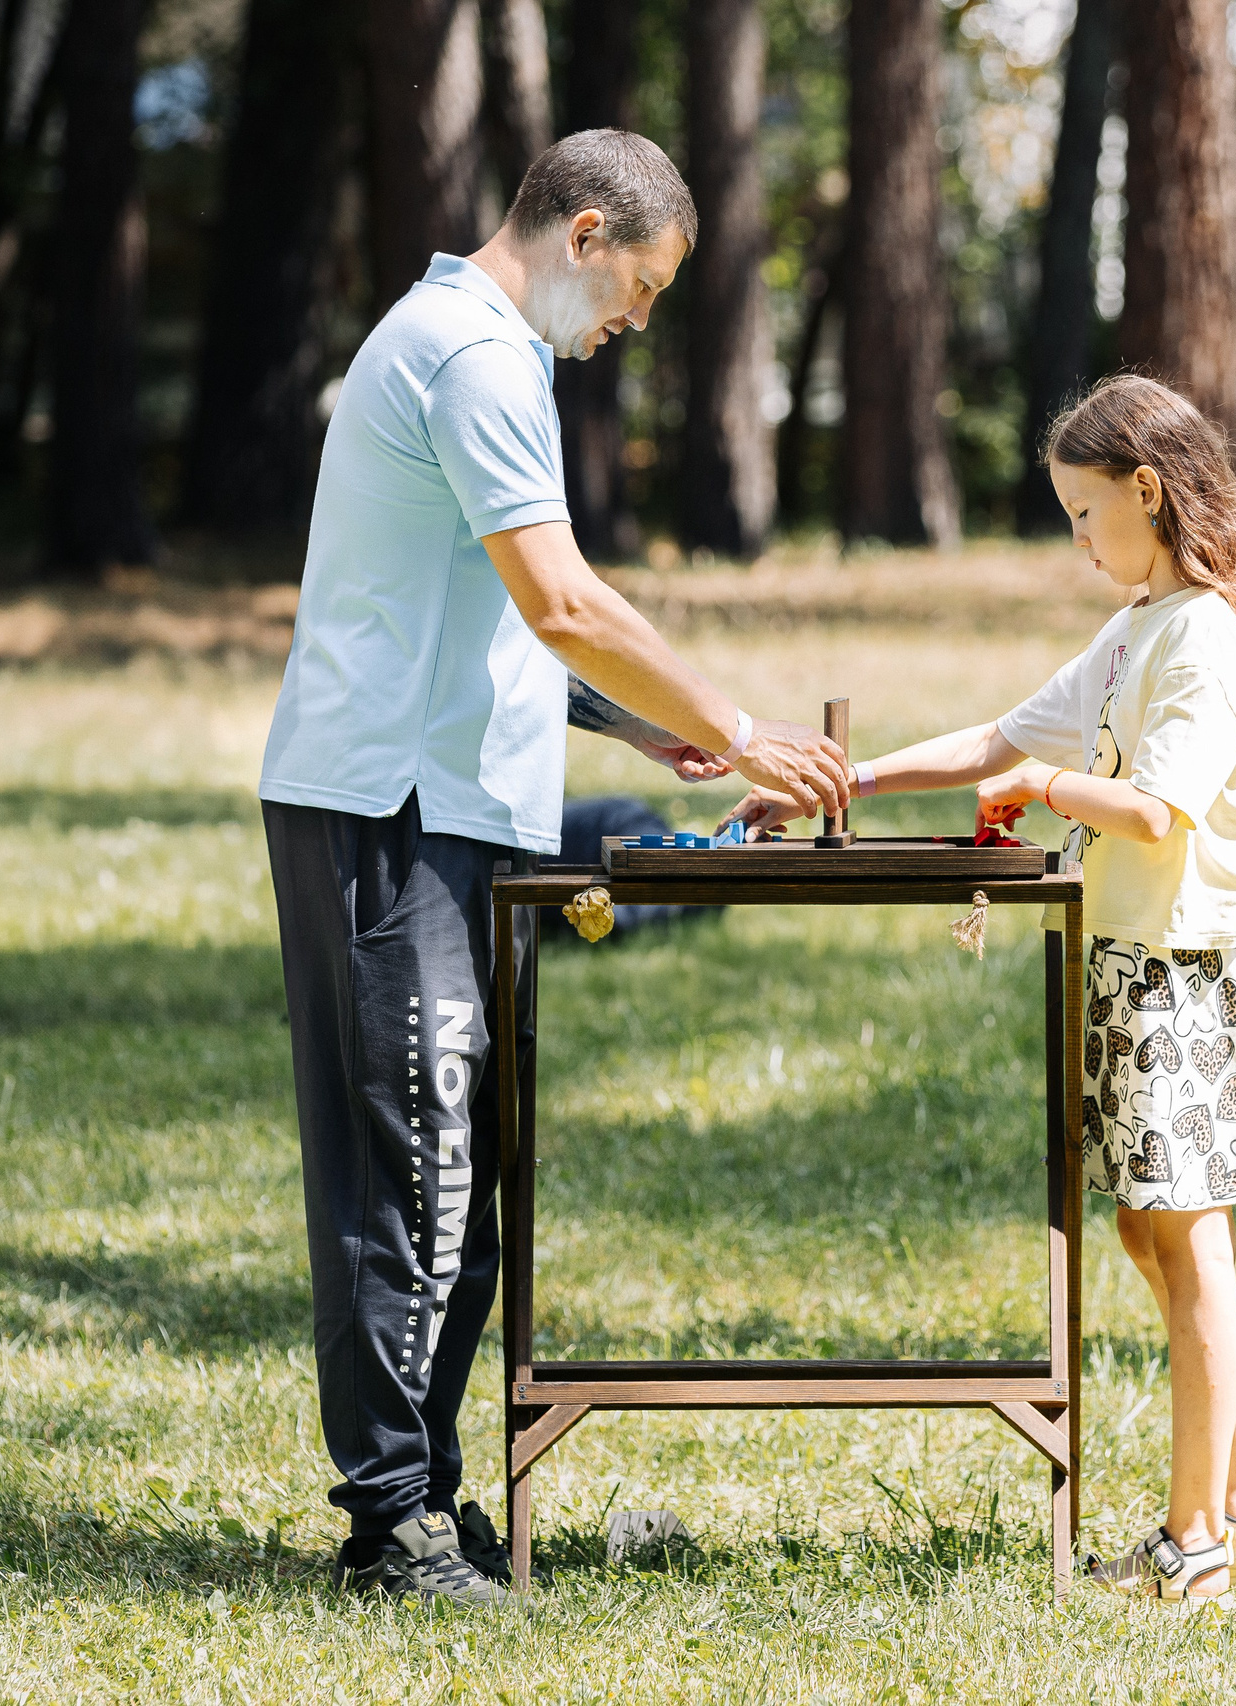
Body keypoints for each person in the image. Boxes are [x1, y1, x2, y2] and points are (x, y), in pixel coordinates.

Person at [259, 128, 852, 1606]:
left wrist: (640, 738)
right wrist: (732, 724)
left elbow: (485, 607)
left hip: (454, 806)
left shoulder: (478, 349)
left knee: (464, 1169)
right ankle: (392, 1528)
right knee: (419, 1171)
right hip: (394, 815)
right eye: (638, 289)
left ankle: (428, 1502)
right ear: (583, 232)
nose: (633, 324)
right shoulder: (470, 352)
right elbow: (562, 593)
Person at [724, 374, 1236, 1603]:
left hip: (1181, 984)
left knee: (1191, 1244)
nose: (1076, 539)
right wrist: (836, 785)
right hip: (1127, 974)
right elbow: (998, 737)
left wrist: (1042, 795)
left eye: (1081, 511)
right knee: (1145, 1229)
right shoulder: (1136, 627)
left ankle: (1192, 1539)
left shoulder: (1200, 637)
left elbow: (1151, 810)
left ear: (1147, 493)